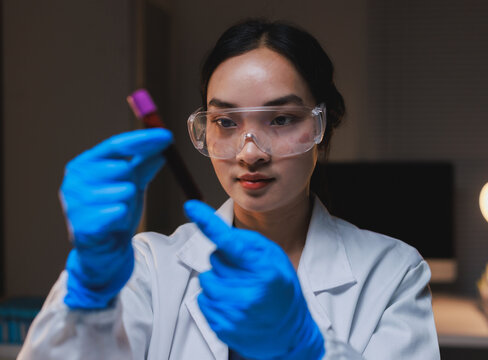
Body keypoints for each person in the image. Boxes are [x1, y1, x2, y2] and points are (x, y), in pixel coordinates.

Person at [18, 19, 440, 359]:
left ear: (321, 128)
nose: (250, 153)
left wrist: (303, 349)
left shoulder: (391, 273)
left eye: (281, 119)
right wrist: (91, 294)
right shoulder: (149, 267)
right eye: (226, 122)